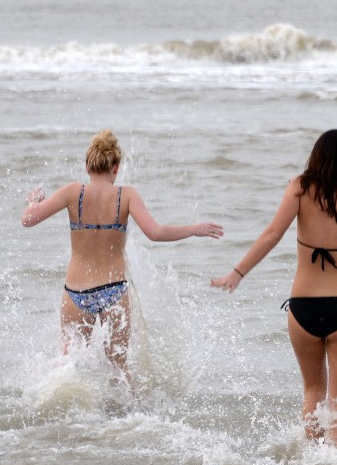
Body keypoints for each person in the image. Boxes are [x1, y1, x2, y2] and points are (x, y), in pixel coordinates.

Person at [211, 129, 337, 445]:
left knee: (312, 390)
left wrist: (237, 273)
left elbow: (271, 235)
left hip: (302, 308)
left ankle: (312, 460)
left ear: (317, 156)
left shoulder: (299, 187)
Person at [21, 129, 223, 395]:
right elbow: (156, 233)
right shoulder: (126, 195)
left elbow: (28, 220)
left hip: (75, 294)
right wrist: (194, 229)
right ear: (116, 168)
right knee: (119, 369)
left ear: (87, 166)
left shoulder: (72, 192)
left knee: (66, 365)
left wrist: (34, 201)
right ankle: (129, 421)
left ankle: (59, 411)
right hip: (113, 292)